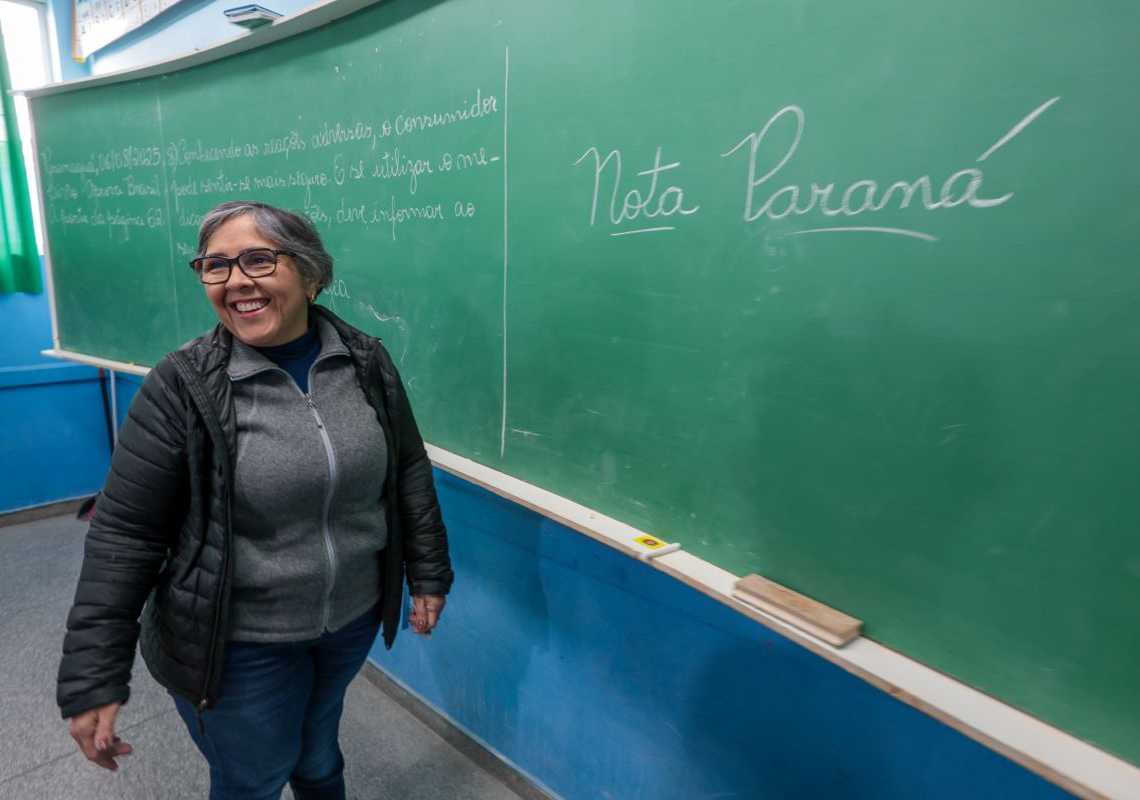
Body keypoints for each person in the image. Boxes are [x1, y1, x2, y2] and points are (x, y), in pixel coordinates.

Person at [57, 200, 454, 800]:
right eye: (215, 266)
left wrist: (427, 571)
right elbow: (124, 536)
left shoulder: (366, 361)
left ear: (311, 273)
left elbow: (405, 470)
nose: (237, 280)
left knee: (319, 753)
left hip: (349, 619)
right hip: (237, 638)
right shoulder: (182, 386)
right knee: (256, 776)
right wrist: (93, 676)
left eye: (258, 260)